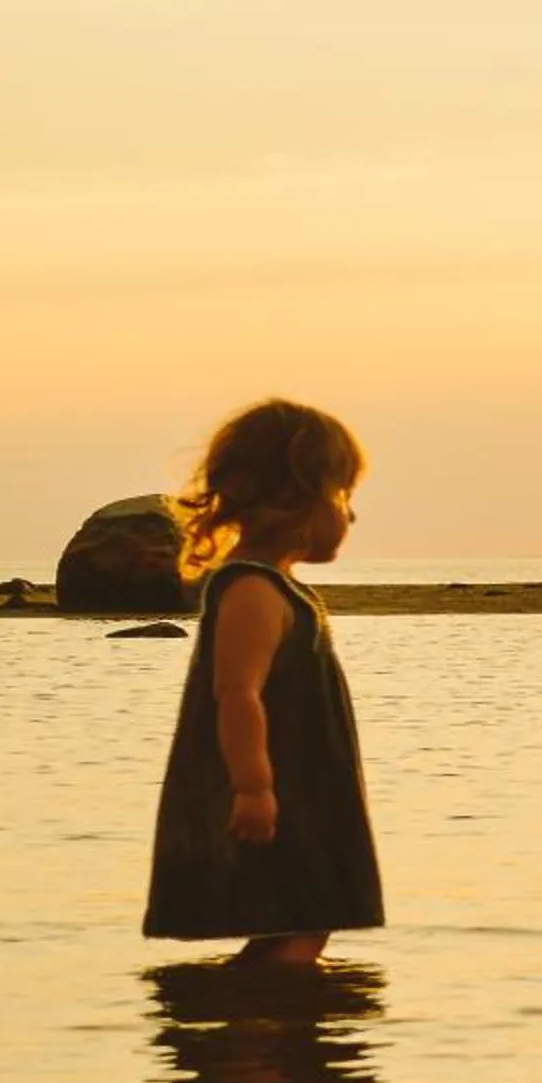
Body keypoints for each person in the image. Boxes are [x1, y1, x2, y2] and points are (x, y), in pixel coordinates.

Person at [143, 400, 384, 967]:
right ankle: (260, 1008)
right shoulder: (253, 591)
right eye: (342, 496)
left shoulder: (280, 588)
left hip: (301, 788)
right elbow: (237, 693)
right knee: (299, 918)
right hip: (273, 791)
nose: (350, 516)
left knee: (304, 920)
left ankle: (262, 1005)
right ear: (292, 499)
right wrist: (253, 787)